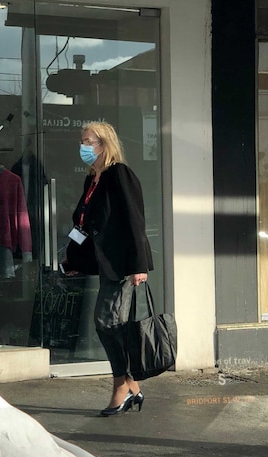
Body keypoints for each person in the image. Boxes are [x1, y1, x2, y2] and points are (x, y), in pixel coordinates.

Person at [61, 122, 154, 416]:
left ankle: (123, 385)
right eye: (82, 141)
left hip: (123, 264)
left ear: (104, 144)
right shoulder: (93, 180)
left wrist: (139, 264)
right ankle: (129, 384)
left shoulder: (119, 175)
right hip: (105, 264)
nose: (83, 147)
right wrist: (74, 262)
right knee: (108, 323)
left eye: (88, 141)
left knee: (107, 321)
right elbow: (86, 226)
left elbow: (134, 221)